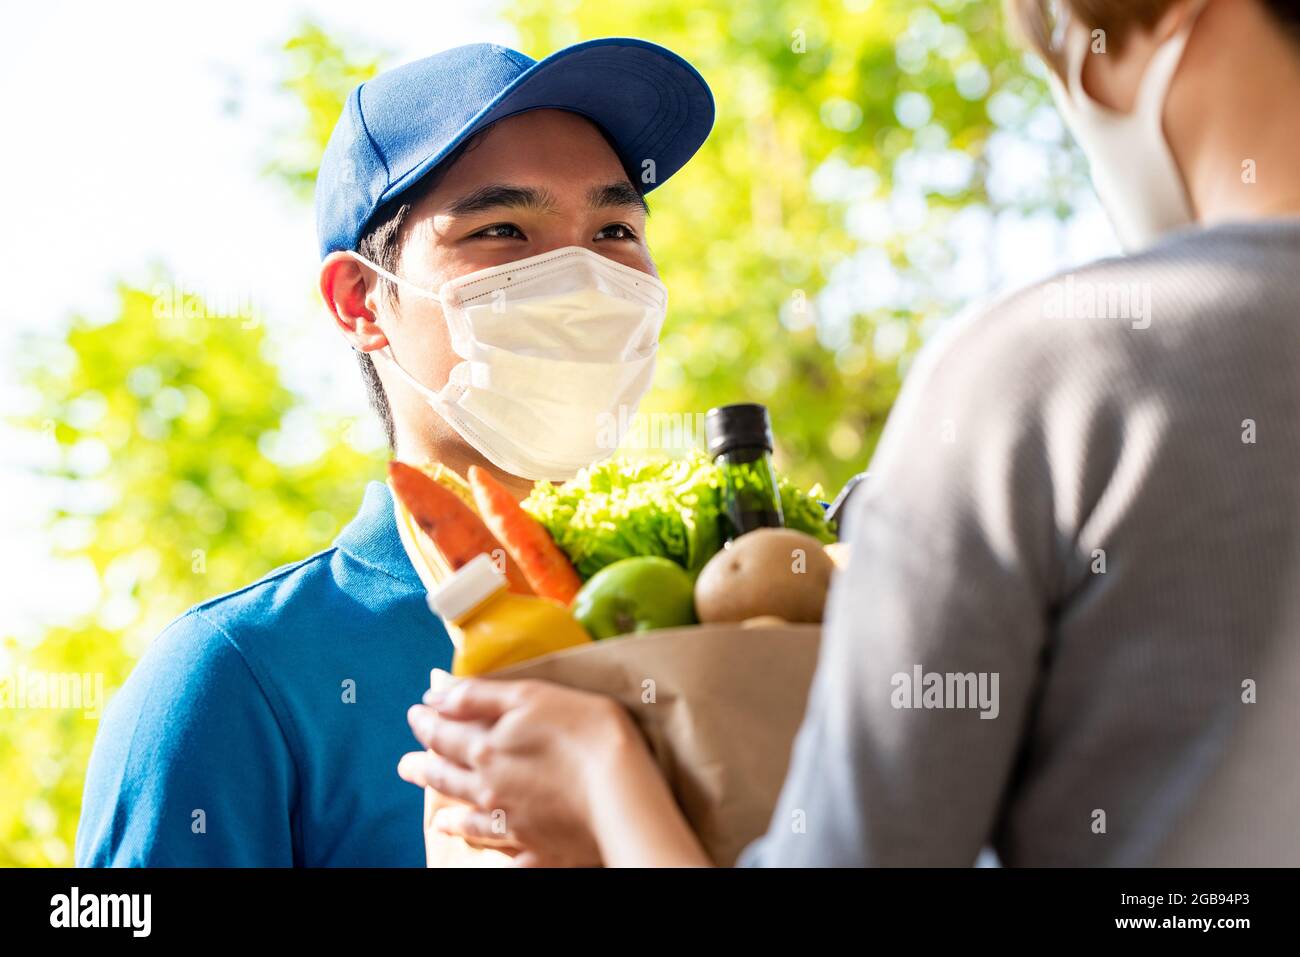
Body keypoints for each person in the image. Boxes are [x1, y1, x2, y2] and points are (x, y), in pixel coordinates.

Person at [399, 0, 1300, 867]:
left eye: (1078, 34)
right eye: (506, 229)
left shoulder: (1066, 371)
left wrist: (604, 781)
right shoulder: (270, 664)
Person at [75, 39, 714, 866]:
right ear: (360, 301)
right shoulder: (237, 678)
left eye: (616, 228)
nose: (581, 278)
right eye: (504, 229)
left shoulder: (721, 617)